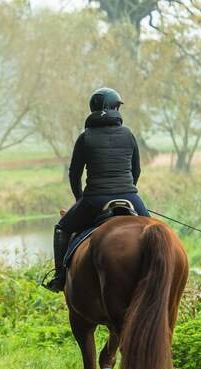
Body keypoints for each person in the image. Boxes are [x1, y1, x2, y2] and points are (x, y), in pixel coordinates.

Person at [42, 87, 150, 293]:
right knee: (155, 230)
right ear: (113, 108)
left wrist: (79, 199)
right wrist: (127, 189)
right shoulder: (128, 135)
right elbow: (136, 170)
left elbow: (74, 174)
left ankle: (59, 278)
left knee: (61, 229)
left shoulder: (85, 137)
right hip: (130, 196)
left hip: (94, 200)